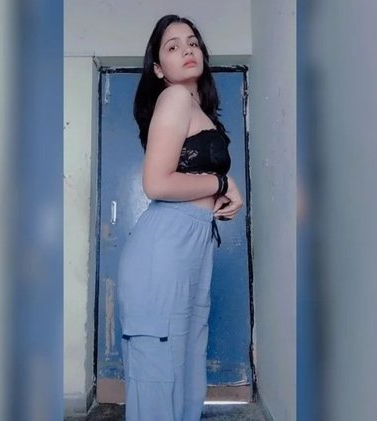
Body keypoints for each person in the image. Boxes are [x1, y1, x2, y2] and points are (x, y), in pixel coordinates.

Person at [116, 14, 243, 421]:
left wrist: (223, 188)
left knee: (186, 371)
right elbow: (156, 183)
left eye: (192, 42)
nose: (187, 50)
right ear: (158, 68)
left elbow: (197, 176)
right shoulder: (173, 97)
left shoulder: (198, 109)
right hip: (165, 248)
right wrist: (220, 182)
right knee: (159, 376)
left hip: (192, 244)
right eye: (172, 47)